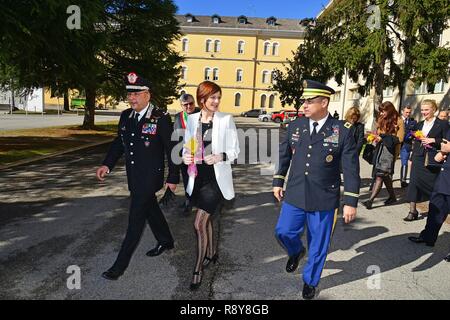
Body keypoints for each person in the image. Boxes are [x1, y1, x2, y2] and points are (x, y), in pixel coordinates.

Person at [273, 79, 360, 300]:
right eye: (304, 101)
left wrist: (350, 201)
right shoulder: (295, 126)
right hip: (295, 192)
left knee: (318, 245)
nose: (304, 105)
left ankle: (310, 281)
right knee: (283, 231)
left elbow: (351, 169)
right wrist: (277, 181)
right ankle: (295, 251)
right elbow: (284, 156)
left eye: (309, 101)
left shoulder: (342, 131)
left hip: (324, 197)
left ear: (324, 102)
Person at [96, 72, 179, 280]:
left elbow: (172, 149)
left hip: (151, 177)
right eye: (129, 94)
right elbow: (119, 143)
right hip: (134, 176)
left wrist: (173, 177)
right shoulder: (126, 116)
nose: (132, 98)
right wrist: (107, 164)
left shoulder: (160, 119)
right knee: (151, 209)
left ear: (147, 95)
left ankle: (119, 266)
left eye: (137, 94)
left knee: (135, 221)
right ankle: (166, 240)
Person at [182, 81, 240, 290]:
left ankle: (198, 269)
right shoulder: (192, 119)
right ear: (202, 99)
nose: (216, 101)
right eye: (212, 97)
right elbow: (186, 146)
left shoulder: (226, 120)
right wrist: (186, 155)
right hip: (197, 177)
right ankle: (212, 252)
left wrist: (220, 156)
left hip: (216, 180)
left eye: (218, 97)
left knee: (198, 223)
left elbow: (235, 151)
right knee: (206, 220)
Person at [404, 100, 449, 221]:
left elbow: (447, 141)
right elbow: (413, 141)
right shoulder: (419, 124)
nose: (424, 112)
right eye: (422, 110)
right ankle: (412, 211)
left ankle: (435, 209)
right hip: (418, 158)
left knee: (433, 186)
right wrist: (412, 156)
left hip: (433, 159)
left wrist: (434, 140)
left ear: (434, 109)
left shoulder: (443, 124)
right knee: (413, 183)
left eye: (426, 110)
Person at [408, 132, 450, 262]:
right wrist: (443, 152)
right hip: (444, 179)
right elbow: (438, 157)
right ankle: (428, 237)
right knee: (435, 209)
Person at [362, 101, 404, 209]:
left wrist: (384, 137)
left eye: (383, 111)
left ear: (389, 110)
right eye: (381, 111)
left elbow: (400, 138)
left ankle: (370, 201)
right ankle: (393, 196)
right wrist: (373, 136)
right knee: (385, 175)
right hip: (379, 149)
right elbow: (377, 133)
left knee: (380, 175)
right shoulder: (381, 119)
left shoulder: (399, 121)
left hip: (389, 152)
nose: (381, 113)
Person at [173, 93, 200, 215]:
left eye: (191, 103)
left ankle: (201, 203)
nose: (189, 106)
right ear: (181, 106)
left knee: (199, 180)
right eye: (185, 105)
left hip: (200, 155)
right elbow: (176, 137)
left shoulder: (203, 114)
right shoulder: (178, 117)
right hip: (185, 155)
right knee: (186, 178)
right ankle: (189, 202)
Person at [400, 106, 417, 188]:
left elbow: (415, 132)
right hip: (396, 144)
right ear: (402, 111)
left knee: (404, 162)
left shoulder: (413, 122)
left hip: (406, 144)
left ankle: (403, 180)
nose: (408, 114)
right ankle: (388, 178)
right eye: (406, 112)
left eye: (409, 112)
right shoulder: (397, 120)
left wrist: (412, 136)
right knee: (390, 162)